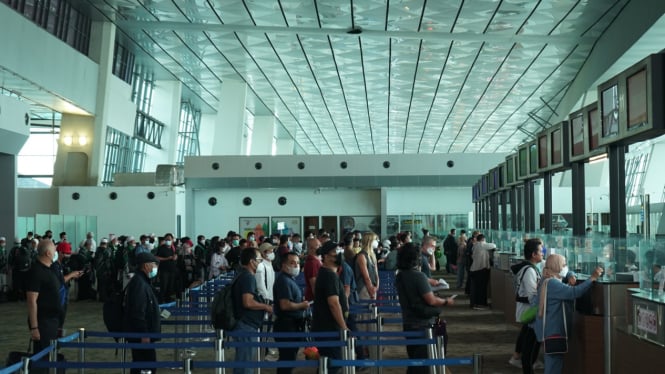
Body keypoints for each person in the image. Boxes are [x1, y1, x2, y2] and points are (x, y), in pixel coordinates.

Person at [534, 254, 602, 374]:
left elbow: (568, 273)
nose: (565, 267)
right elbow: (574, 292)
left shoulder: (547, 278)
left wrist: (571, 274)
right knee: (553, 365)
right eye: (563, 264)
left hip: (548, 330)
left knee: (552, 362)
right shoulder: (553, 284)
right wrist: (592, 278)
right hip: (553, 331)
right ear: (557, 266)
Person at [395, 243, 455, 374]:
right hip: (424, 324)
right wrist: (446, 301)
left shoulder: (400, 276)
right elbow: (431, 300)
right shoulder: (419, 276)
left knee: (415, 359)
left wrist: (427, 281)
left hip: (408, 322)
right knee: (426, 361)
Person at [232, 247, 273, 374]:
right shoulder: (248, 278)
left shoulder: (241, 275)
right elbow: (248, 302)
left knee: (244, 360)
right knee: (245, 363)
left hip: (243, 324)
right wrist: (266, 307)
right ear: (251, 261)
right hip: (246, 325)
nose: (261, 262)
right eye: (259, 259)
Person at [312, 241, 349, 374]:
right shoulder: (329, 276)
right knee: (332, 364)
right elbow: (333, 304)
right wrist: (344, 327)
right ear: (326, 256)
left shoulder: (327, 274)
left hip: (326, 327)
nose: (339, 255)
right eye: (335, 252)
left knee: (326, 364)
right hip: (329, 329)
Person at [123, 252, 162, 374]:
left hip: (143, 334)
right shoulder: (140, 284)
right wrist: (143, 334)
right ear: (146, 266)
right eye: (154, 265)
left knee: (143, 364)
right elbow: (138, 312)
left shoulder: (142, 281)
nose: (156, 268)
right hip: (142, 336)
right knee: (144, 365)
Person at [509, 239, 544, 372]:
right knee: (531, 344)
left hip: (528, 310)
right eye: (541, 251)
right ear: (534, 254)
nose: (543, 253)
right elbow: (532, 295)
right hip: (530, 311)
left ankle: (525, 361)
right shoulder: (529, 270)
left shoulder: (530, 268)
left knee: (528, 338)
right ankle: (528, 365)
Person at [272, 251, 310, 374]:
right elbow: (285, 305)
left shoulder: (290, 279)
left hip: (293, 324)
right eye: (292, 263)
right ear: (283, 264)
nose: (296, 265)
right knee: (286, 359)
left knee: (290, 358)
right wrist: (302, 305)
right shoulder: (284, 281)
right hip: (286, 326)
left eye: (298, 263)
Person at [26, 240, 62, 355]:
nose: (56, 252)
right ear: (48, 253)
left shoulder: (50, 269)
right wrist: (34, 327)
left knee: (51, 354)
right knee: (43, 355)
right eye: (54, 250)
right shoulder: (36, 271)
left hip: (52, 320)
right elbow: (31, 300)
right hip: (43, 321)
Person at [469, 234, 495, 309]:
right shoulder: (482, 245)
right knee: (481, 288)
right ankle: (481, 304)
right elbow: (493, 245)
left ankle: (475, 304)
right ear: (483, 239)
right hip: (480, 270)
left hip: (474, 270)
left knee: (476, 288)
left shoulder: (475, 245)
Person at [354, 232, 380, 300]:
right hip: (364, 287)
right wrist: (371, 289)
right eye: (375, 239)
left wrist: (377, 285)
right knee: (365, 309)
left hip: (373, 286)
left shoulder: (372, 255)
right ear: (369, 241)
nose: (377, 241)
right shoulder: (362, 256)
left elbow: (376, 273)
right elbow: (366, 277)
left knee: (373, 309)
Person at [155, 233, 178, 303]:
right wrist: (167, 258)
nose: (168, 241)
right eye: (167, 239)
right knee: (164, 286)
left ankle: (168, 301)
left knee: (170, 287)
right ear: (165, 240)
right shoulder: (161, 248)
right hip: (164, 270)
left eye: (170, 239)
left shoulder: (173, 248)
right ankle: (161, 301)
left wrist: (176, 257)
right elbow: (156, 257)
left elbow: (176, 255)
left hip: (172, 270)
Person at [304, 237, 322, 301]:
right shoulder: (312, 263)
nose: (320, 247)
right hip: (313, 299)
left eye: (320, 245)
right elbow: (314, 285)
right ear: (311, 248)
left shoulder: (316, 260)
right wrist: (319, 301)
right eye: (318, 246)